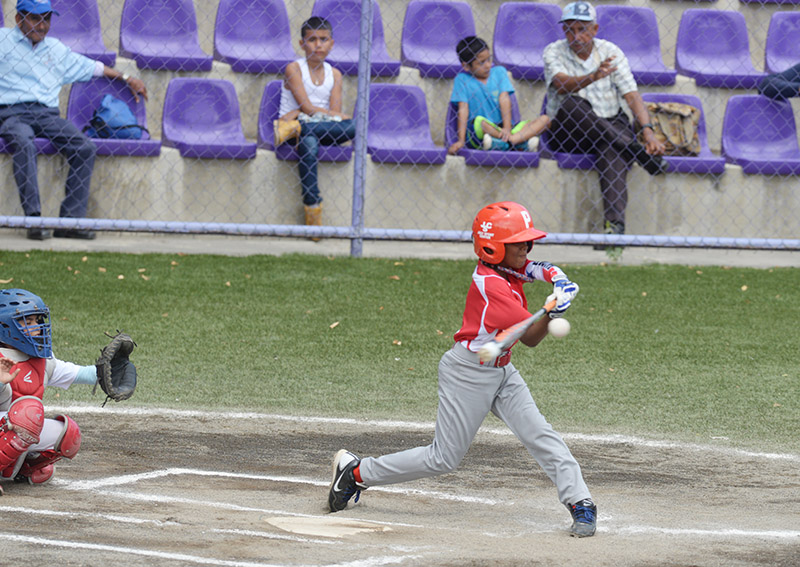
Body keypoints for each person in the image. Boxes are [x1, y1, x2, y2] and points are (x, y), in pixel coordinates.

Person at [327, 201, 598, 538]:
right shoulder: (492, 285)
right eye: (519, 243)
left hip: (501, 370)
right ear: (493, 247)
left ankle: (580, 501)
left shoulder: (506, 267)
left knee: (539, 434)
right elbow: (530, 338)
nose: (527, 248)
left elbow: (534, 269)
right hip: (468, 373)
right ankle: (356, 473)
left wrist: (559, 279)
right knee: (443, 458)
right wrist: (554, 310)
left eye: (529, 242)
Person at [0, 0, 148, 241]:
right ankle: (33, 220)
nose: (42, 25)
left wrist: (128, 77)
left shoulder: (56, 49)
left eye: (46, 19)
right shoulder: (2, 40)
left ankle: (69, 221)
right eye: (34, 18)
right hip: (10, 112)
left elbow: (94, 68)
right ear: (18, 19)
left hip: (46, 114)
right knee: (24, 142)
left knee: (85, 147)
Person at [543, 1, 665, 244]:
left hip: (609, 125)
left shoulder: (611, 51)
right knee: (572, 104)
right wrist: (593, 76)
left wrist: (648, 132)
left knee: (611, 147)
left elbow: (631, 95)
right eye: (569, 29)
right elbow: (561, 84)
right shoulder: (553, 51)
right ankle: (633, 149)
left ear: (595, 29)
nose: (575, 36)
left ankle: (614, 229)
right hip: (570, 130)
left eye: (582, 29)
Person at [0, 288, 102, 488]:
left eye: (37, 321)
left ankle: (20, 466)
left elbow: (76, 373)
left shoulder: (41, 360)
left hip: (7, 428)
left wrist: (107, 372)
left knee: (67, 434)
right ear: (5, 326)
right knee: (27, 415)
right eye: (27, 322)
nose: (37, 328)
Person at [276, 16, 355, 233]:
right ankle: (313, 208)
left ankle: (300, 127)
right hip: (301, 129)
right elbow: (309, 108)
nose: (318, 45)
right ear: (302, 44)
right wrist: (314, 113)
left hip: (306, 125)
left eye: (323, 39)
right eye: (312, 39)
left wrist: (303, 114)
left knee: (354, 126)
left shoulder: (335, 74)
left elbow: (334, 114)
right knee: (309, 144)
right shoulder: (294, 69)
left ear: (332, 43)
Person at [448, 36, 550, 155]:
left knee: (546, 120)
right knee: (478, 123)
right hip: (485, 129)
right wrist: (461, 141)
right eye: (481, 63)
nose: (487, 65)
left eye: (489, 60)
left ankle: (508, 141)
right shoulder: (462, 80)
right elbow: (463, 109)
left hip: (507, 129)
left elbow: (504, 98)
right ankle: (518, 143)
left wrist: (507, 128)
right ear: (466, 66)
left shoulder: (499, 72)